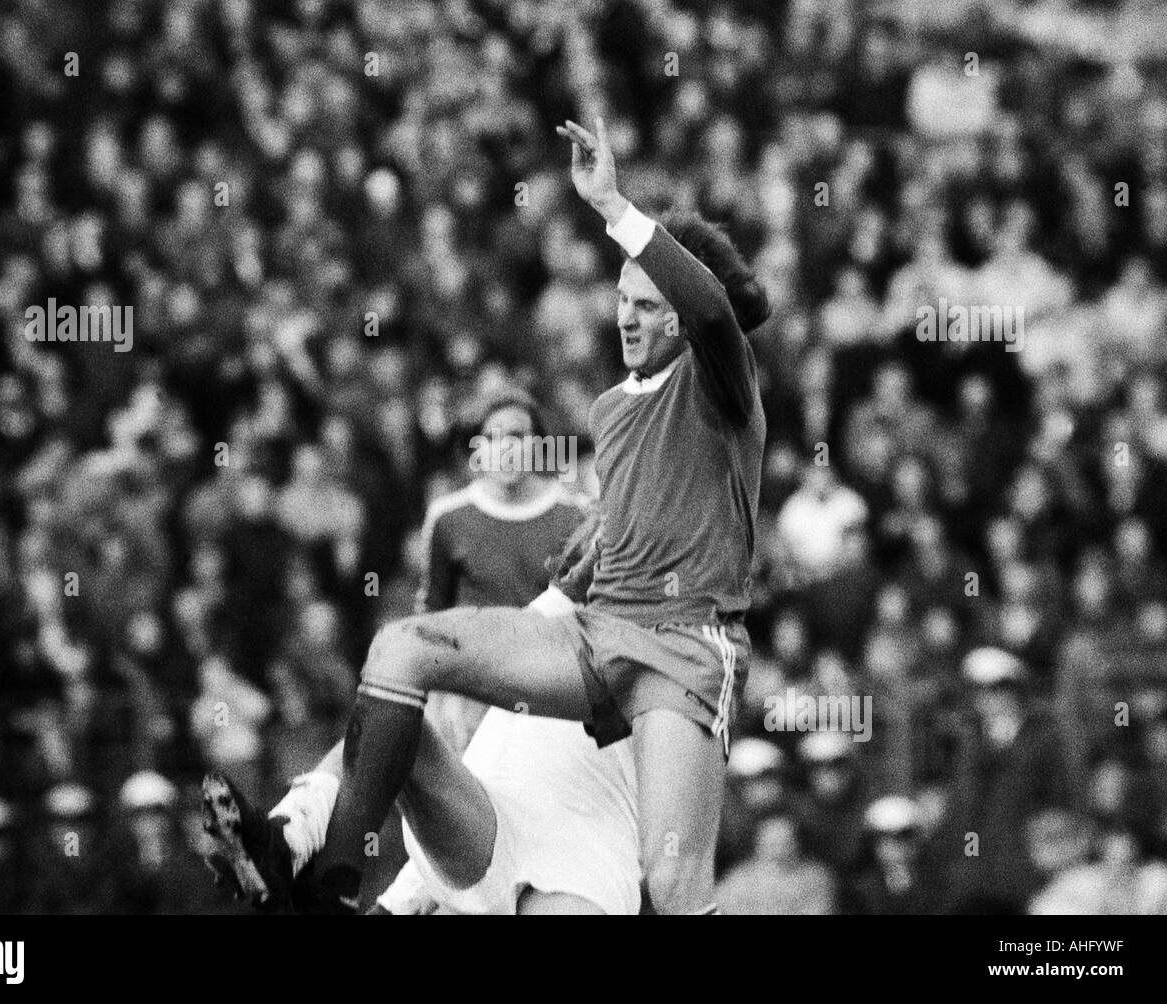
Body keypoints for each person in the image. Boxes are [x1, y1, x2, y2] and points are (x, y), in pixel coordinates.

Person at [209, 116, 771, 914]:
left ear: (679, 314)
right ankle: (326, 876)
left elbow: (715, 314)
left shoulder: (720, 383)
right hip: (597, 638)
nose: (627, 317)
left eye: (648, 304)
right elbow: (627, 527)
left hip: (681, 647)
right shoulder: (612, 412)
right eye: (620, 299)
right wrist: (602, 542)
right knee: (403, 650)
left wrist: (613, 206)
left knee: (675, 882)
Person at [205, 393, 641, 914]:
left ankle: (330, 871)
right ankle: (292, 839)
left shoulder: (662, 647)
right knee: (397, 709)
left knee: (406, 700)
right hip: (491, 799)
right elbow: (441, 625)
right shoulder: (544, 604)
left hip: (581, 858)